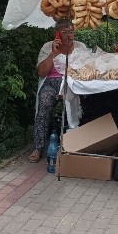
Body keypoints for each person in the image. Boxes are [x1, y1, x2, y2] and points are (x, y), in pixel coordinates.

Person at [31, 19, 86, 163]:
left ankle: (76, 144)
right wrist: (53, 54)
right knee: (44, 104)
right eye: (65, 32)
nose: (69, 36)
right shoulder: (48, 47)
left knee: (77, 105)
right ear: (57, 34)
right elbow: (42, 73)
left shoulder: (80, 47)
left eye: (72, 32)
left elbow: (87, 69)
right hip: (51, 83)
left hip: (72, 83)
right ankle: (38, 147)